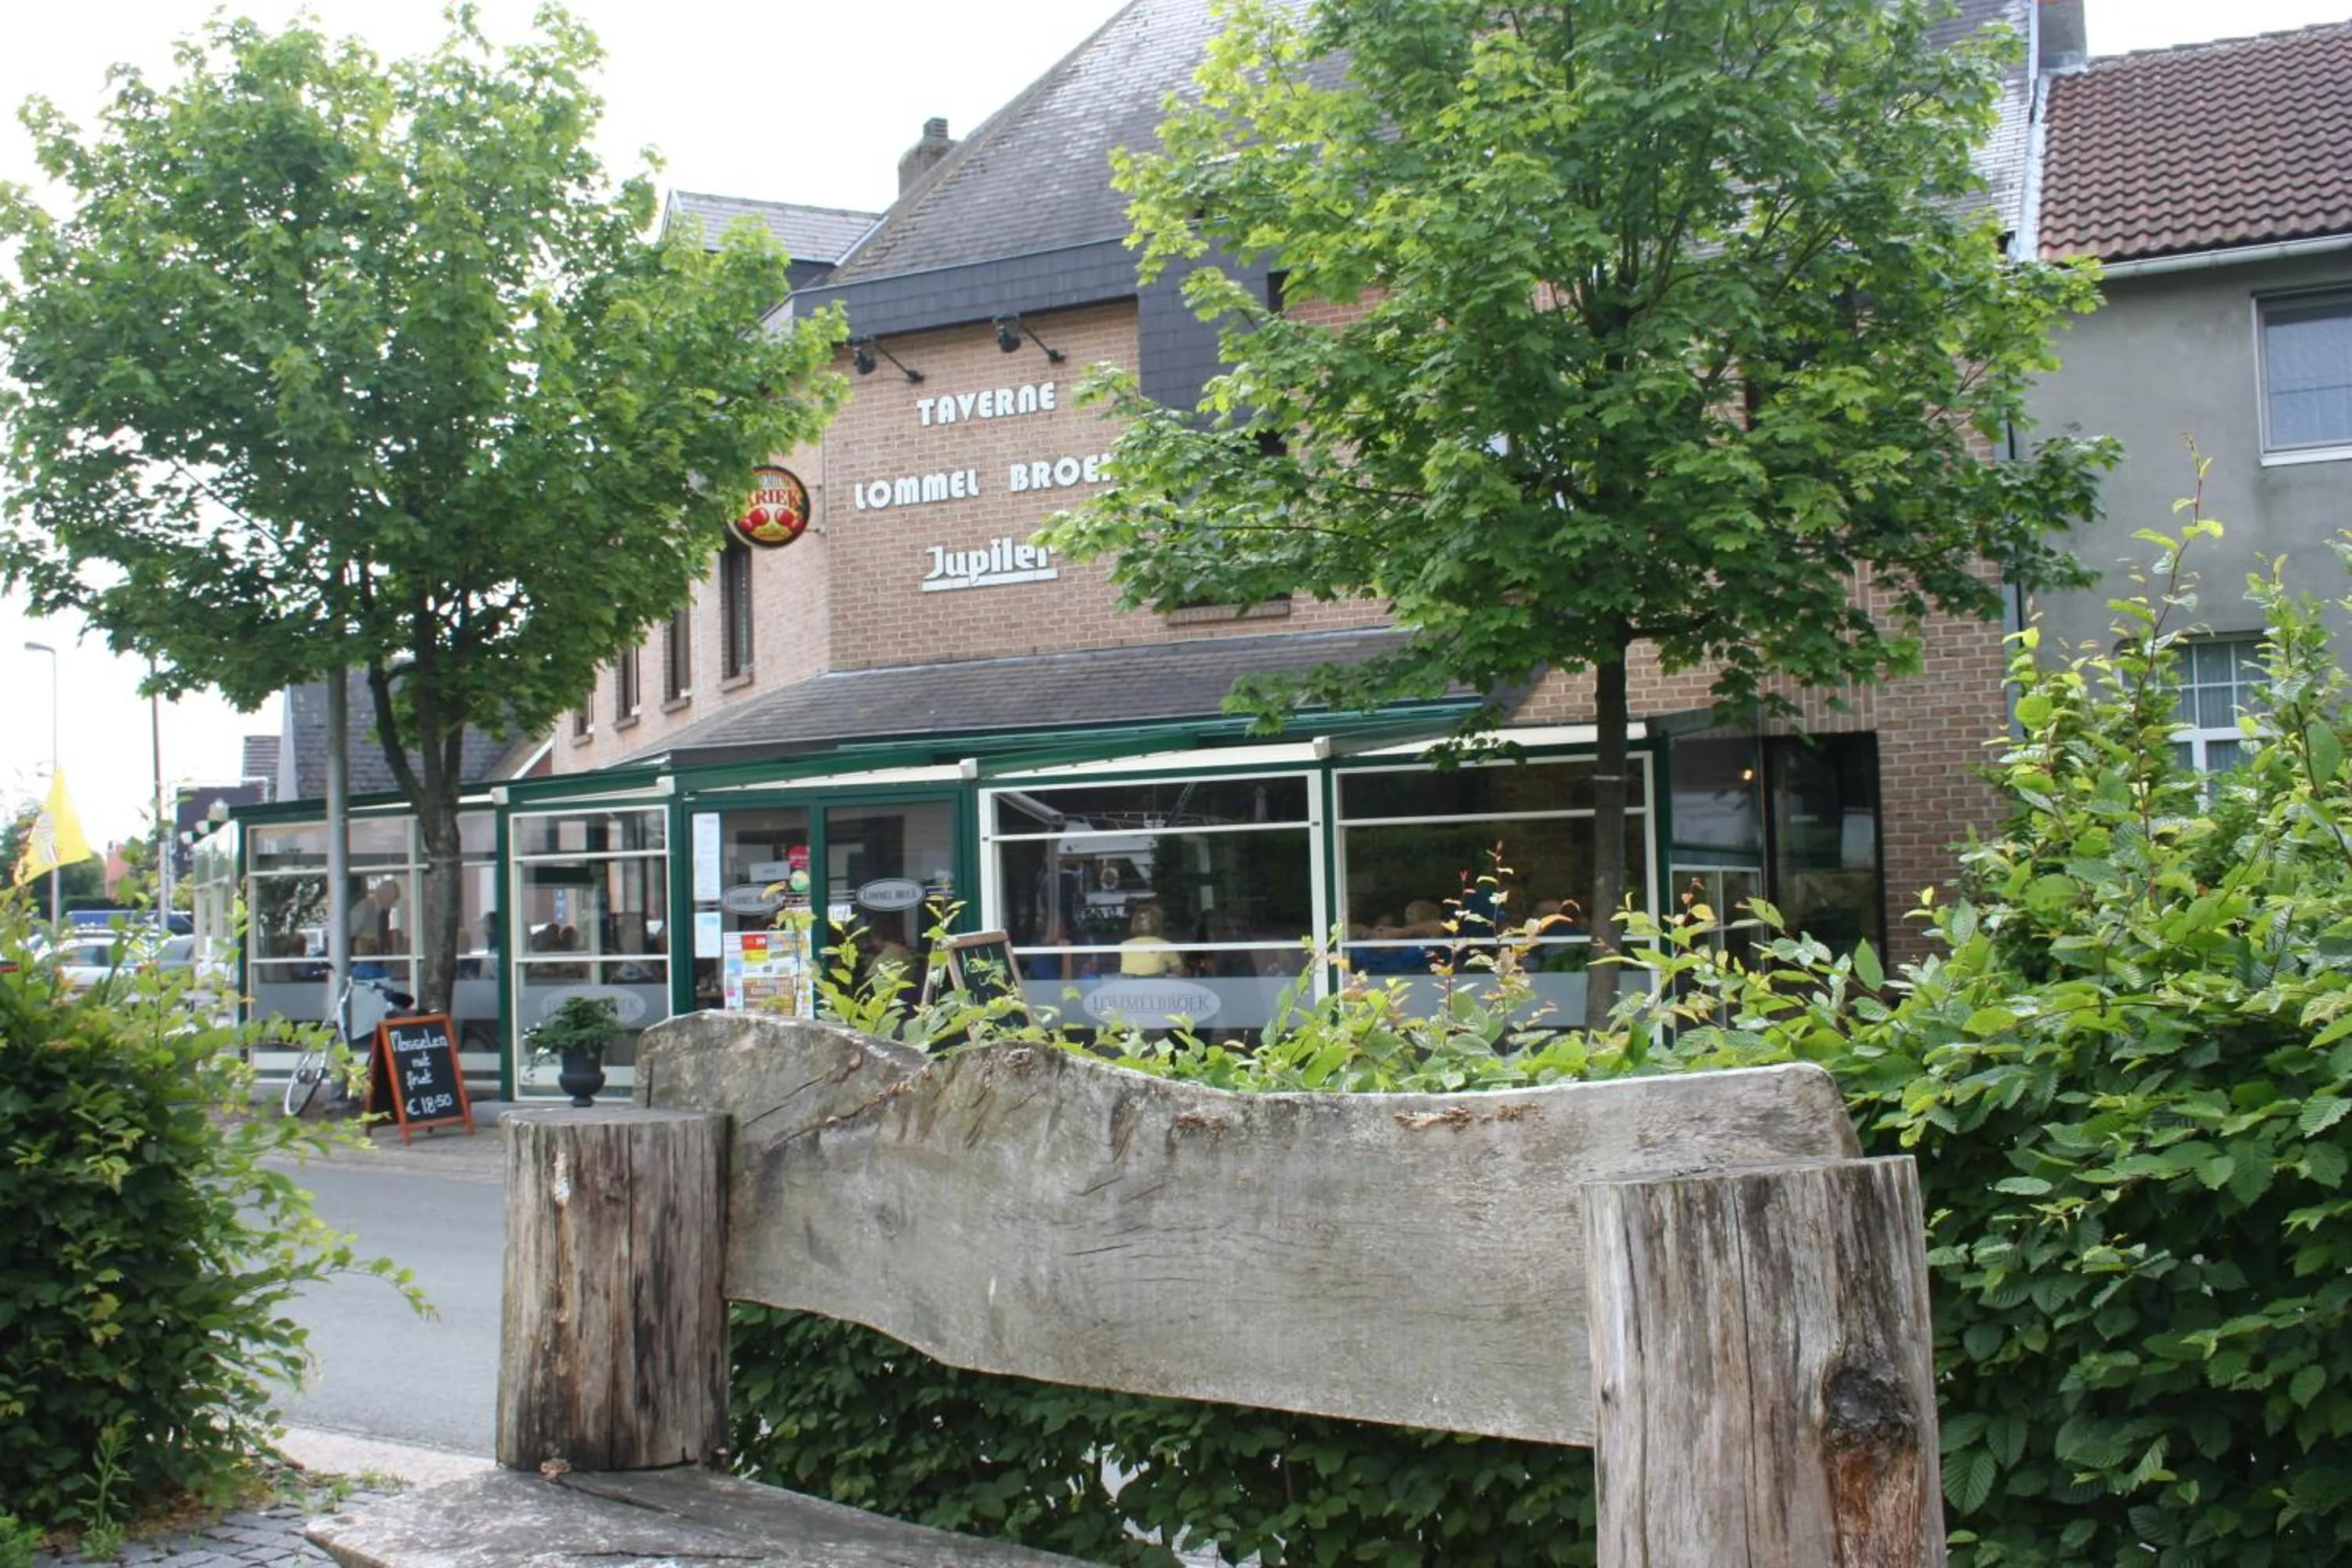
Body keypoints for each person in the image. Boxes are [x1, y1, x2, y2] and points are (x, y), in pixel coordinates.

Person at [1117, 904, 1183, 976]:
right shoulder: (1165, 946)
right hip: (1156, 982)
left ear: (1134, 925)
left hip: (1128, 982)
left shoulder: (1124, 945)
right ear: (1160, 925)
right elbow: (1179, 971)